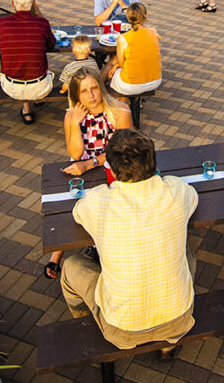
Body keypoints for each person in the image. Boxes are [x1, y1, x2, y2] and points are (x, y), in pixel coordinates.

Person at [59, 128, 198, 353]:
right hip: (178, 320)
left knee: (71, 266)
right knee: (186, 252)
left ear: (112, 168)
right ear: (153, 162)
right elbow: (192, 197)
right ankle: (167, 348)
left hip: (121, 329)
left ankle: (87, 321)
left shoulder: (98, 202)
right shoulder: (176, 191)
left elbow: (78, 213)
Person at [45, 68, 134, 280]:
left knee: (106, 206)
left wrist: (91, 163)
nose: (91, 95)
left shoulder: (121, 112)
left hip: (113, 166)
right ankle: (60, 249)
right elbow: (75, 153)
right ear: (76, 96)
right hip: (82, 166)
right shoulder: (70, 116)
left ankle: (92, 247)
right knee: (73, 198)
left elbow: (123, 150)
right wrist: (75, 123)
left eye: (95, 88)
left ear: (102, 88)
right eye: (84, 91)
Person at [0, 0, 56, 124]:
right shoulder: (42, 23)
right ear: (34, 3)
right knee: (37, 68)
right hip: (40, 87)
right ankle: (34, 101)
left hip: (12, 88)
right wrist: (38, 13)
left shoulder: (2, 24)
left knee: (19, 65)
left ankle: (26, 109)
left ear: (12, 3)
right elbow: (51, 45)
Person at [104, 2, 162, 96]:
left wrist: (117, 65)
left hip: (131, 85)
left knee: (113, 62)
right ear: (144, 16)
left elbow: (122, 63)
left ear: (128, 17)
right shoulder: (153, 32)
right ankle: (135, 102)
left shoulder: (124, 38)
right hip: (155, 81)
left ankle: (100, 88)